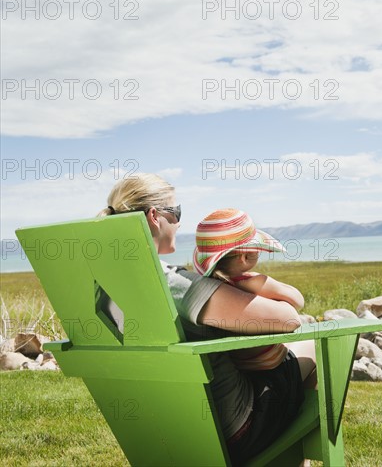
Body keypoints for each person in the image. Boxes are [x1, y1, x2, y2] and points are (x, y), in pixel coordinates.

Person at [98, 174, 317, 466]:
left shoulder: (107, 290)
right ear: (154, 217)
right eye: (176, 214)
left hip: (165, 432)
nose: (179, 223)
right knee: (313, 345)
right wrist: (249, 281)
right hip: (234, 432)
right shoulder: (175, 285)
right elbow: (289, 319)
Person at [193, 208, 305, 372]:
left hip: (241, 368)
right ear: (245, 257)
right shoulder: (252, 281)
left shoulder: (213, 287)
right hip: (273, 367)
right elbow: (298, 300)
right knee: (311, 349)